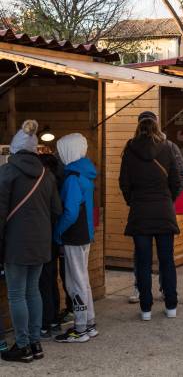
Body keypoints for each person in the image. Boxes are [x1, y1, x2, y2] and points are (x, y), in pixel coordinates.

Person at [0, 120, 62, 362]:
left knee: (16, 294)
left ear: (14, 149)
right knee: (33, 291)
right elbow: (56, 209)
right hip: (41, 242)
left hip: (15, 243)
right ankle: (36, 344)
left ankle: (23, 345)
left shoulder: (6, 172)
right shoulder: (46, 174)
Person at [119, 113, 181, 321]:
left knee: (143, 262)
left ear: (138, 126)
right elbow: (177, 179)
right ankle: (171, 306)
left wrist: (133, 200)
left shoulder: (129, 149)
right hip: (164, 210)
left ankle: (145, 309)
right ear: (157, 126)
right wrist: (168, 198)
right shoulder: (168, 147)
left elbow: (124, 182)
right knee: (167, 261)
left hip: (140, 212)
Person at [53, 133, 98, 343]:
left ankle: (79, 328)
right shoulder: (85, 174)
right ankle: (89, 322)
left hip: (73, 235)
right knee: (83, 280)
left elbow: (70, 212)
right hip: (85, 233)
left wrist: (58, 231)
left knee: (74, 282)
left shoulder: (71, 178)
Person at [38, 154, 64, 339]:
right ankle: (54, 320)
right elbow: (58, 211)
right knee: (51, 280)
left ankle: (45, 323)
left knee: (41, 283)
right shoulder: (58, 181)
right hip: (52, 238)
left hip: (42, 238)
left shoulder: (43, 182)